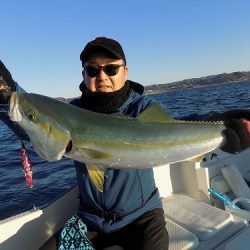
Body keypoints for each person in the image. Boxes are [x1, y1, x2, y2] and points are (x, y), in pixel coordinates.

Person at [1, 37, 250, 250]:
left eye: (111, 69)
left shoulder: (141, 108)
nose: (102, 76)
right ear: (84, 74)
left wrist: (223, 125)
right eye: (92, 70)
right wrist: (6, 92)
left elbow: (176, 125)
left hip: (143, 217)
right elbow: (29, 123)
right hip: (90, 220)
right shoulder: (71, 112)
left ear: (125, 72)